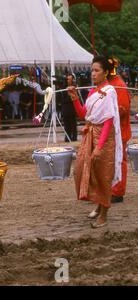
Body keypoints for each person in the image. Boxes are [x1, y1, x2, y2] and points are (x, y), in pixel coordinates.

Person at [68, 55, 122, 228]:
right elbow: (84, 115)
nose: (93, 74)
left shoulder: (109, 91)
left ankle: (104, 213)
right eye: (92, 70)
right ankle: (99, 205)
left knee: (103, 174)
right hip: (89, 134)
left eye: (97, 70)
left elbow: (108, 120)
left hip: (104, 137)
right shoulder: (92, 91)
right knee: (81, 169)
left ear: (105, 73)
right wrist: (75, 98)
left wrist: (99, 147)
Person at [108, 57, 131, 203]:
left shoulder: (119, 85)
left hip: (119, 132)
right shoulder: (109, 85)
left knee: (119, 161)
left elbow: (123, 110)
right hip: (109, 132)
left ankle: (118, 191)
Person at [61, 74, 78, 142]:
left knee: (73, 125)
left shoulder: (74, 87)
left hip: (72, 109)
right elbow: (61, 98)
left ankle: (74, 137)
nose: (68, 80)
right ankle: (67, 137)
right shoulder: (64, 87)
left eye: (70, 79)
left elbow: (75, 97)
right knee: (66, 125)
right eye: (68, 79)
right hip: (65, 109)